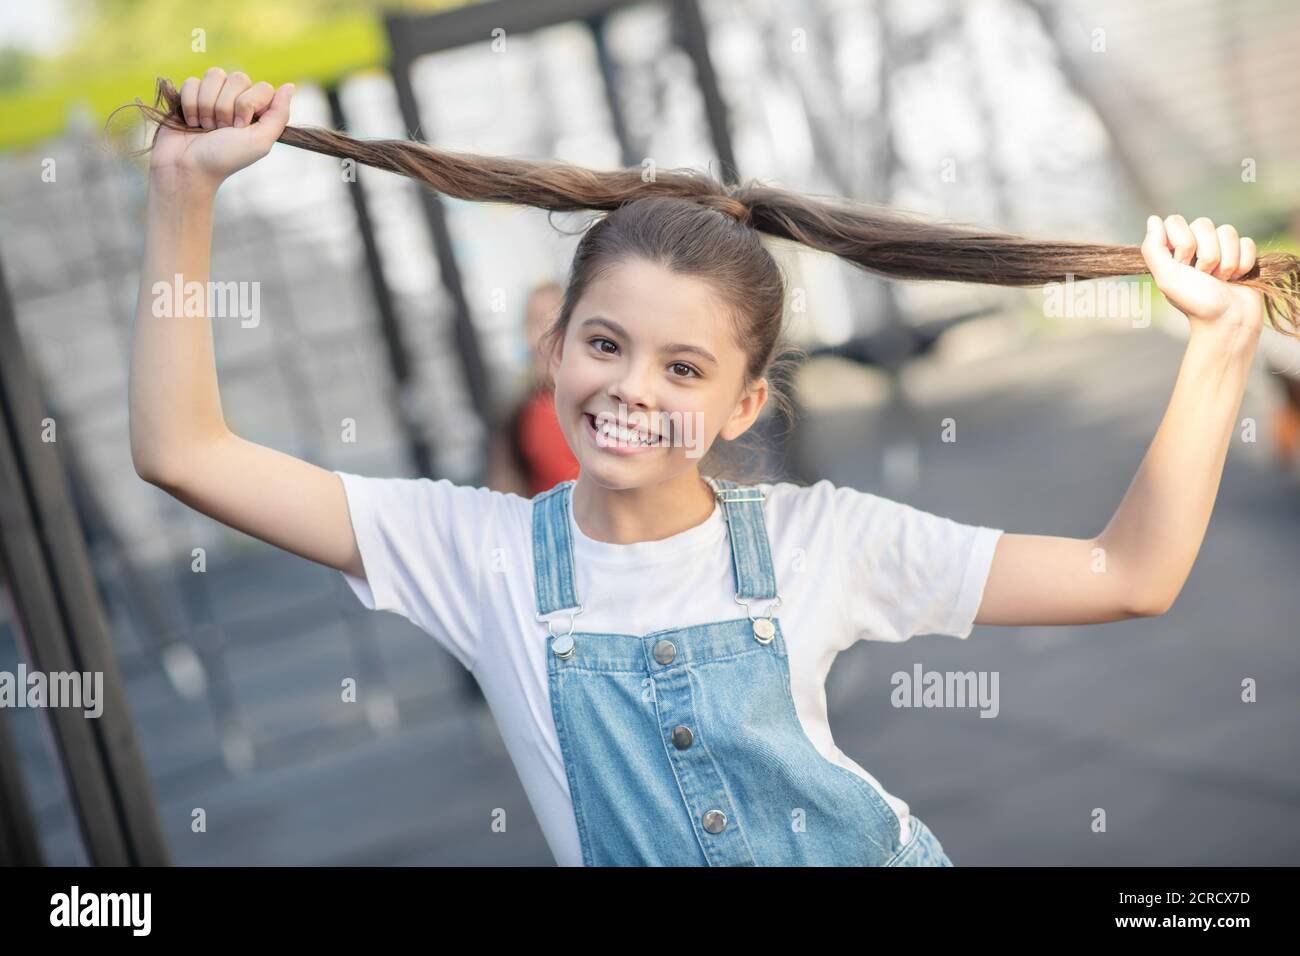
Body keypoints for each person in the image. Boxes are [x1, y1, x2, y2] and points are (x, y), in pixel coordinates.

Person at [127, 70, 1300, 866]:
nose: (633, 386)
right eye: (605, 343)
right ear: (553, 348)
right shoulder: (473, 553)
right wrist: (186, 190)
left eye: (682, 367)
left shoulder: (818, 541)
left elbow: (1125, 570)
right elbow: (183, 452)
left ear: (744, 403)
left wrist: (1220, 344)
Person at [487, 281, 580, 497]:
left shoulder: (609, 407)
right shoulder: (518, 418)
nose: (539, 339)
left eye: (552, 323)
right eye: (533, 324)